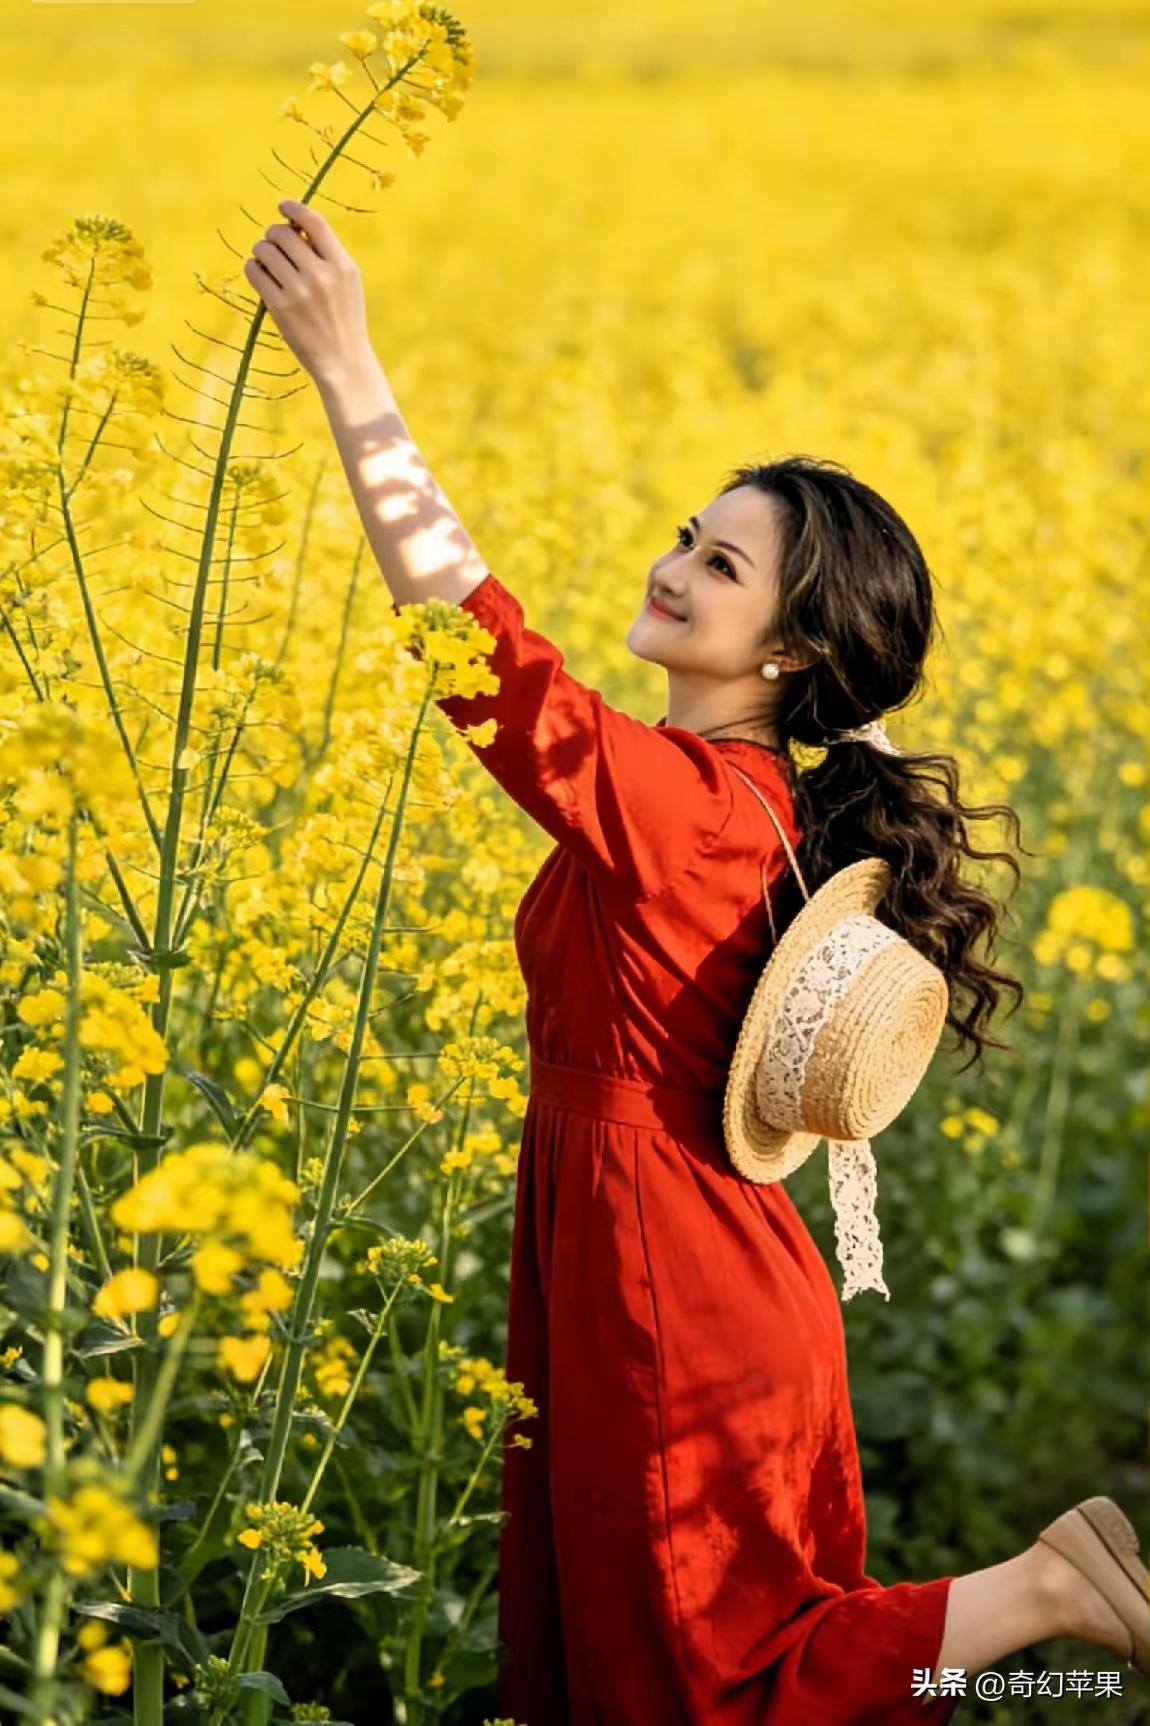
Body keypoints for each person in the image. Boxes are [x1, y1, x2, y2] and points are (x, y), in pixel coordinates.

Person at [244, 199, 1147, 1725]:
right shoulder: (729, 796)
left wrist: (350, 370)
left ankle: (1034, 1597)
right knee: (639, 1654)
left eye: (720, 564)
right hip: (659, 1252)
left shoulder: (698, 810)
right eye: (687, 534)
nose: (672, 568)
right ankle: (1019, 1605)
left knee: (699, 1682)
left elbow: (477, 652)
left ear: (787, 651)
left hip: (666, 1277)